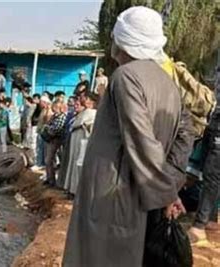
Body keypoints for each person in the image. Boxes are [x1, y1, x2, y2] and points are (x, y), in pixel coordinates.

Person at [63, 7, 195, 267]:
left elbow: (141, 139)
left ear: (123, 40)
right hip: (142, 197)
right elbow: (185, 134)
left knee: (100, 257)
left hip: (111, 199)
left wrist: (167, 192)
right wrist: (171, 184)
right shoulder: (169, 84)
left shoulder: (125, 77)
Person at [188, 66, 220, 244]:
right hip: (214, 119)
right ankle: (210, 218)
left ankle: (200, 226)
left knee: (212, 174)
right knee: (208, 172)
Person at [60, 93, 97, 197]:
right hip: (76, 140)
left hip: (83, 141)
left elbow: (78, 124)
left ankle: (75, 190)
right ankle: (70, 188)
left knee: (78, 165)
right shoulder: (81, 113)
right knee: (73, 164)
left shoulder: (91, 112)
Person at [41, 100, 67, 187]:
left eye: (56, 107)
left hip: (56, 140)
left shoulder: (62, 117)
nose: (54, 109)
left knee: (49, 160)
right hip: (51, 139)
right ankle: (49, 178)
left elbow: (56, 129)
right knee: (48, 160)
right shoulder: (54, 116)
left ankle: (52, 181)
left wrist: (47, 128)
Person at [32, 95, 53, 170]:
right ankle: (40, 162)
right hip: (40, 131)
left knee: (41, 148)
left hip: (43, 132)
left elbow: (47, 121)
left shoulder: (48, 111)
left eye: (41, 102)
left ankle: (40, 163)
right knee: (40, 148)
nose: (40, 104)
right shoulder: (43, 110)